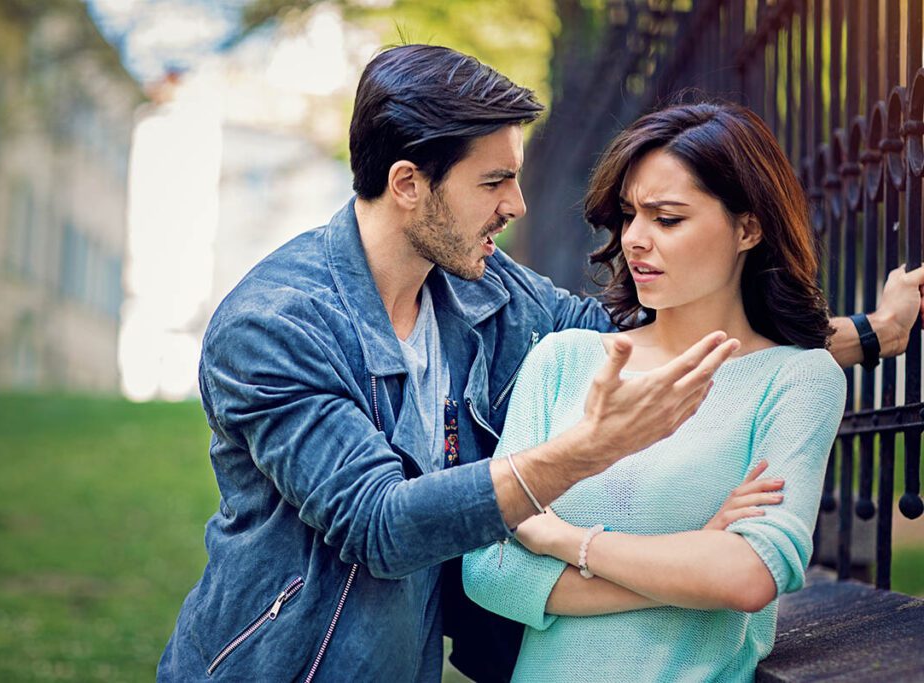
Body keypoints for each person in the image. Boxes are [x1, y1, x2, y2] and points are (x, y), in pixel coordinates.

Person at [158, 45, 924, 682]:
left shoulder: (483, 293)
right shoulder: (275, 326)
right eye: (494, 181)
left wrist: (866, 334)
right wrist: (579, 462)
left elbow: (667, 333)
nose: (519, 203)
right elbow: (380, 524)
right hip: (281, 665)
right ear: (407, 184)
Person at [462, 102, 859, 682]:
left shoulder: (797, 379)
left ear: (748, 228)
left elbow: (748, 575)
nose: (634, 241)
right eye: (628, 216)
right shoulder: (563, 360)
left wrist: (563, 539)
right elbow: (489, 568)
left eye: (667, 219)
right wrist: (691, 557)